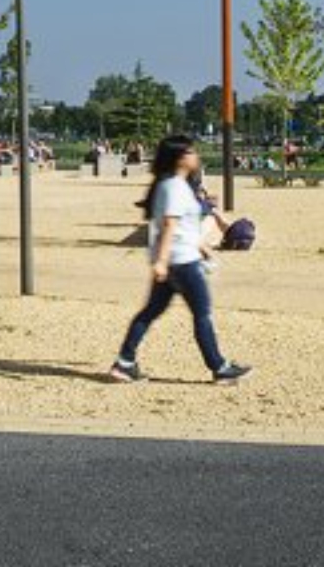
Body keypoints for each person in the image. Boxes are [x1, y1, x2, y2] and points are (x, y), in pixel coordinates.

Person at [107, 135, 251, 386]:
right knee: (202, 314)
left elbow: (183, 227)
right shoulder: (175, 187)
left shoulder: (173, 185)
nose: (196, 155)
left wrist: (202, 247)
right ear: (180, 159)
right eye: (191, 152)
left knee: (151, 312)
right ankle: (219, 367)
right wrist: (162, 261)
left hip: (178, 258)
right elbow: (169, 226)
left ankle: (125, 362)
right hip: (182, 262)